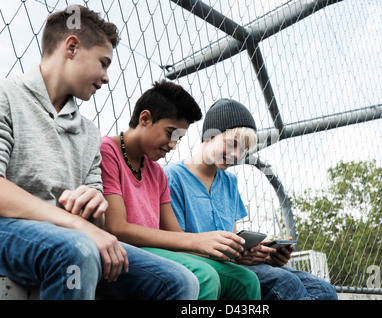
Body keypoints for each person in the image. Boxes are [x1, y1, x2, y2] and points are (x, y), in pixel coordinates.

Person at [0, 5, 199, 300]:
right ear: (71, 47)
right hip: (11, 230)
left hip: (69, 234)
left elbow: (100, 224)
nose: (107, 77)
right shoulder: (7, 96)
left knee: (179, 281)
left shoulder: (89, 132)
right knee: (75, 250)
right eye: (103, 63)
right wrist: (78, 225)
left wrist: (94, 209)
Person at [100, 81, 261, 300]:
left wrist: (216, 245)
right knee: (205, 276)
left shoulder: (156, 172)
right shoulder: (108, 151)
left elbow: (174, 235)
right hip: (121, 251)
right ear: (144, 119)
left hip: (157, 253)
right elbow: (116, 227)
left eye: (179, 138)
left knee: (246, 281)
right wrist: (199, 241)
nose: (173, 145)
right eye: (170, 133)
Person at [164, 98, 339, 300]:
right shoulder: (172, 177)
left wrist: (261, 254)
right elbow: (176, 247)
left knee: (324, 290)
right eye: (232, 144)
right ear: (209, 135)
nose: (237, 155)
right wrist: (237, 256)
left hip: (232, 264)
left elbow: (234, 238)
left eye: (243, 150)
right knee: (285, 284)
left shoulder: (229, 181)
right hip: (204, 266)